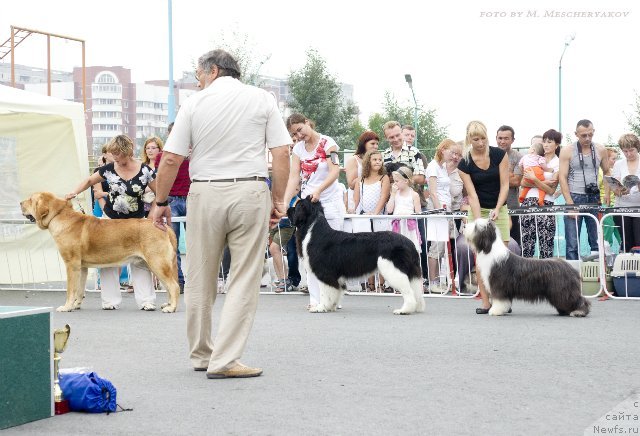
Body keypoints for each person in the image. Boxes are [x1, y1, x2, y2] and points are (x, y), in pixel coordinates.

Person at [150, 49, 291, 379]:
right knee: (243, 276)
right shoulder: (262, 98)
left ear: (213, 70)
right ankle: (226, 359)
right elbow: (281, 152)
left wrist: (159, 201)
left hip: (205, 192)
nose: (197, 82)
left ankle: (201, 353)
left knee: (199, 275)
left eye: (198, 75)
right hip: (249, 188)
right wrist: (279, 199)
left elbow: (171, 158)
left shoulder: (194, 104)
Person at [65, 134, 158, 311]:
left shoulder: (146, 171)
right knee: (106, 260)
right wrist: (73, 192)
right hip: (109, 221)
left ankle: (147, 300)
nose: (114, 157)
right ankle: (110, 301)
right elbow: (89, 181)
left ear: (127, 152)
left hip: (135, 222)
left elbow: (159, 195)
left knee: (140, 261)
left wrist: (152, 216)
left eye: (117, 154)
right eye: (112, 153)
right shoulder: (108, 169)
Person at [283, 113, 345, 310]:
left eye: (300, 130)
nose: (299, 135)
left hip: (330, 201)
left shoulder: (328, 143)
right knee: (309, 253)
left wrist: (320, 189)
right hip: (308, 207)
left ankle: (333, 297)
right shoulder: (298, 150)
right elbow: (294, 178)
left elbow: (335, 171)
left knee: (333, 253)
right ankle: (315, 299)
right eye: (294, 134)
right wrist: (285, 203)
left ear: (308, 122)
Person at [457, 121, 509, 314]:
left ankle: (502, 300)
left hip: (499, 208)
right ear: (469, 140)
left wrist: (497, 208)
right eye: (475, 139)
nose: (480, 143)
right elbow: (472, 195)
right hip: (477, 209)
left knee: (502, 257)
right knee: (480, 258)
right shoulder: (464, 163)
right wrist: (479, 221)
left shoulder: (499, 155)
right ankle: (486, 302)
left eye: (483, 138)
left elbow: (505, 185)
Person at [558, 119, 611, 260]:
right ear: (576, 134)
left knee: (596, 240)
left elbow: (607, 172)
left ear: (594, 132)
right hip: (574, 197)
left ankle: (597, 277)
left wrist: (607, 194)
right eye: (583, 135)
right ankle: (571, 278)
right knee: (572, 243)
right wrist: (569, 203)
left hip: (594, 198)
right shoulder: (567, 150)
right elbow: (562, 177)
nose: (587, 138)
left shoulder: (600, 149)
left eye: (590, 134)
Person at [154, 124, 190, 294]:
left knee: (198, 244)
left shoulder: (195, 154)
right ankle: (179, 282)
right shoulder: (161, 156)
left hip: (192, 198)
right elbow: (159, 179)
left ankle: (197, 282)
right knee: (171, 245)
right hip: (171, 200)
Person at [351, 150, 391, 291]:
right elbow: (356, 199)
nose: (378, 162)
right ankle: (370, 284)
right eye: (375, 159)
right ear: (368, 161)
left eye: (380, 159)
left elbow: (383, 197)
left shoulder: (384, 178)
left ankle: (382, 284)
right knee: (366, 251)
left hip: (379, 218)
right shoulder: (360, 180)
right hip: (364, 218)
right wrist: (351, 210)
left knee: (381, 251)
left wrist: (375, 213)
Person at [519, 129, 561, 258]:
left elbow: (551, 190)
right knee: (527, 243)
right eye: (544, 142)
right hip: (527, 202)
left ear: (557, 145)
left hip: (547, 203)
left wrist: (535, 179)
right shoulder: (534, 158)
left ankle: (546, 276)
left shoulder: (558, 162)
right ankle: (525, 276)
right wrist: (544, 183)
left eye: (550, 142)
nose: (546, 144)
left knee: (546, 243)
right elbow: (523, 182)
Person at [425, 138, 455, 293]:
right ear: (443, 149)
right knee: (436, 246)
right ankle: (433, 281)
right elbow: (433, 192)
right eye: (452, 151)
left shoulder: (442, 167)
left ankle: (437, 280)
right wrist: (439, 211)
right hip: (438, 209)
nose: (454, 155)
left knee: (442, 246)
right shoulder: (433, 167)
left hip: (445, 208)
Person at [610, 133, 640, 252]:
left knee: (638, 241)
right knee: (626, 242)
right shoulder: (618, 164)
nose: (628, 154)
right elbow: (614, 186)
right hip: (622, 207)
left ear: (637, 147)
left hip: (638, 208)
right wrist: (619, 189)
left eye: (631, 150)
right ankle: (627, 269)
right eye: (625, 151)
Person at [495, 125, 523, 247]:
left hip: (512, 207)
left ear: (512, 140)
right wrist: (508, 174)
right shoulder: (490, 154)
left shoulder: (518, 157)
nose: (502, 141)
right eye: (500, 138)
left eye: (506, 138)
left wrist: (495, 174)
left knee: (514, 244)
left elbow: (517, 181)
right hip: (493, 208)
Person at [387, 166, 422, 253]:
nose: (394, 184)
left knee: (410, 249)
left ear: (406, 181)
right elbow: (389, 210)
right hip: (397, 225)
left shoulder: (414, 195)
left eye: (396, 181)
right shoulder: (395, 193)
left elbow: (419, 213)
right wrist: (393, 194)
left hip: (409, 226)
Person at [518, 142, 551, 206]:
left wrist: (523, 172)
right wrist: (548, 169)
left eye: (529, 148)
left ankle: (522, 196)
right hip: (536, 171)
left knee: (527, 186)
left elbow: (520, 165)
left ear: (533, 150)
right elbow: (543, 165)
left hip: (527, 171)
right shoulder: (539, 157)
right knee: (541, 186)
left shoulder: (525, 157)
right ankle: (541, 200)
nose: (528, 149)